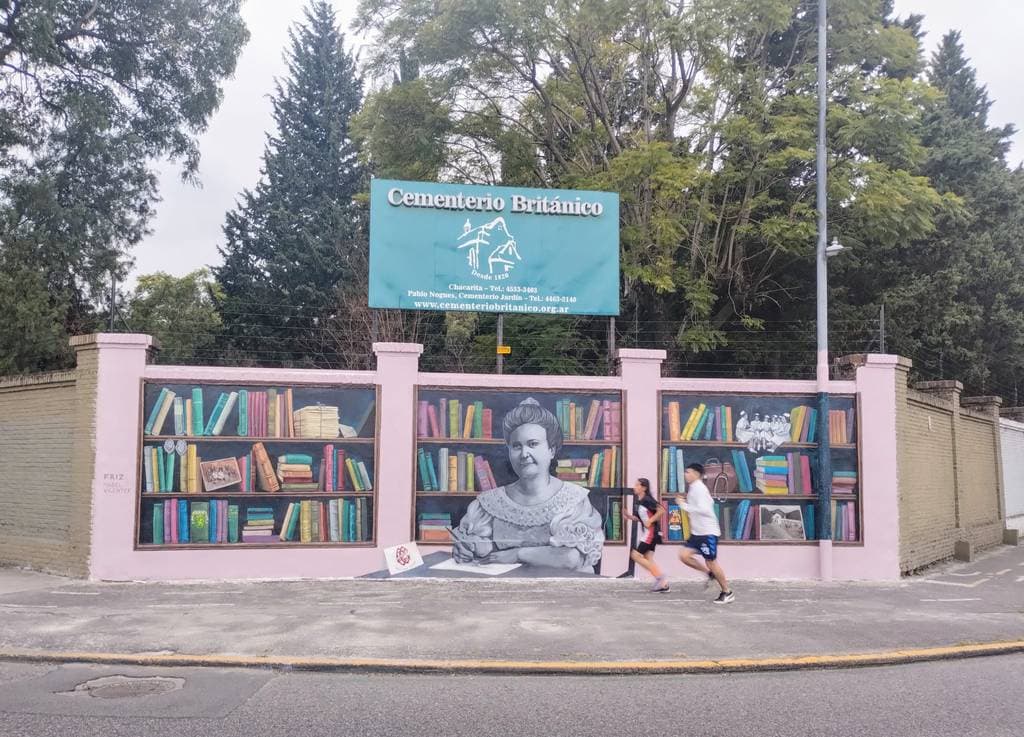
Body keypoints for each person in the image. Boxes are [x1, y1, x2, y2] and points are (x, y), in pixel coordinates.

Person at [452, 398, 605, 572]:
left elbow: (571, 559)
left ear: (551, 450)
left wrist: (517, 554)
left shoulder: (573, 500)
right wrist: (467, 548)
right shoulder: (489, 503)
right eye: (516, 446)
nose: (524, 454)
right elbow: (480, 550)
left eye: (533, 444)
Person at [677, 462, 735, 603]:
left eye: (688, 472)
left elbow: (705, 510)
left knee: (711, 562)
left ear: (696, 474)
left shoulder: (700, 489)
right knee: (684, 556)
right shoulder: (693, 488)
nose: (686, 474)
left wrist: (683, 505)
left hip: (707, 532)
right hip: (697, 533)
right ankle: (709, 574)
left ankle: (727, 592)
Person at [622, 478, 668, 591]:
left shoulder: (647, 499)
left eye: (637, 485)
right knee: (648, 558)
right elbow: (642, 519)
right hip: (650, 533)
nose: (635, 487)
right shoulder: (640, 501)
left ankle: (660, 577)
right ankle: (663, 584)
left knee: (635, 555)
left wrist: (651, 520)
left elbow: (662, 510)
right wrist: (629, 517)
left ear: (644, 488)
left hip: (651, 533)